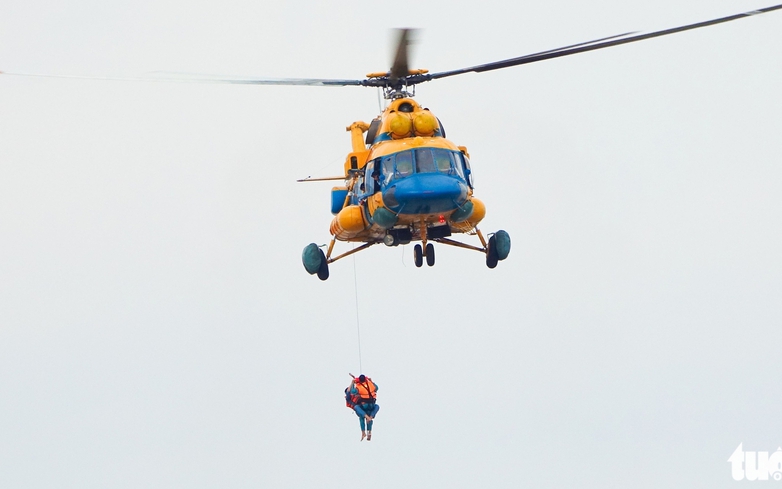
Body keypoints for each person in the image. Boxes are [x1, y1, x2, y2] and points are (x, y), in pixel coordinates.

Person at [345, 374, 379, 441]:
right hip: (371, 405)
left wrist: (353, 382)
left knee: (360, 414)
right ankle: (369, 430)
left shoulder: (358, 388)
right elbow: (376, 388)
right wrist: (371, 381)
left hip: (364, 406)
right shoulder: (370, 384)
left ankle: (365, 428)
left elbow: (351, 391)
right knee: (376, 407)